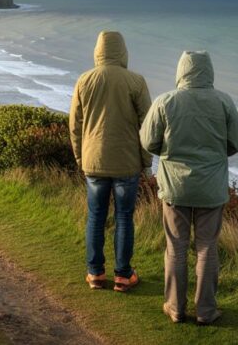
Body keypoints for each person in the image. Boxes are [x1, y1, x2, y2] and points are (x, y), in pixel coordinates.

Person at [140, 51, 238, 325]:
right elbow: (236, 142)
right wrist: (213, 155)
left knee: (176, 246)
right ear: (208, 72)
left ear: (181, 71)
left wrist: (168, 152)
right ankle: (206, 311)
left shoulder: (166, 101)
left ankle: (175, 308)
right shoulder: (224, 101)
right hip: (211, 188)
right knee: (207, 247)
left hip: (175, 187)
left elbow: (148, 141)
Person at [69, 31, 152, 292]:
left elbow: (75, 124)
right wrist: (147, 161)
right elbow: (147, 126)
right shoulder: (136, 81)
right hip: (127, 162)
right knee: (124, 217)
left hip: (94, 160)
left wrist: (81, 157)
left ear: (98, 51)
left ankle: (95, 274)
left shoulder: (84, 80)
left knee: (95, 216)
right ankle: (123, 276)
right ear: (123, 52)